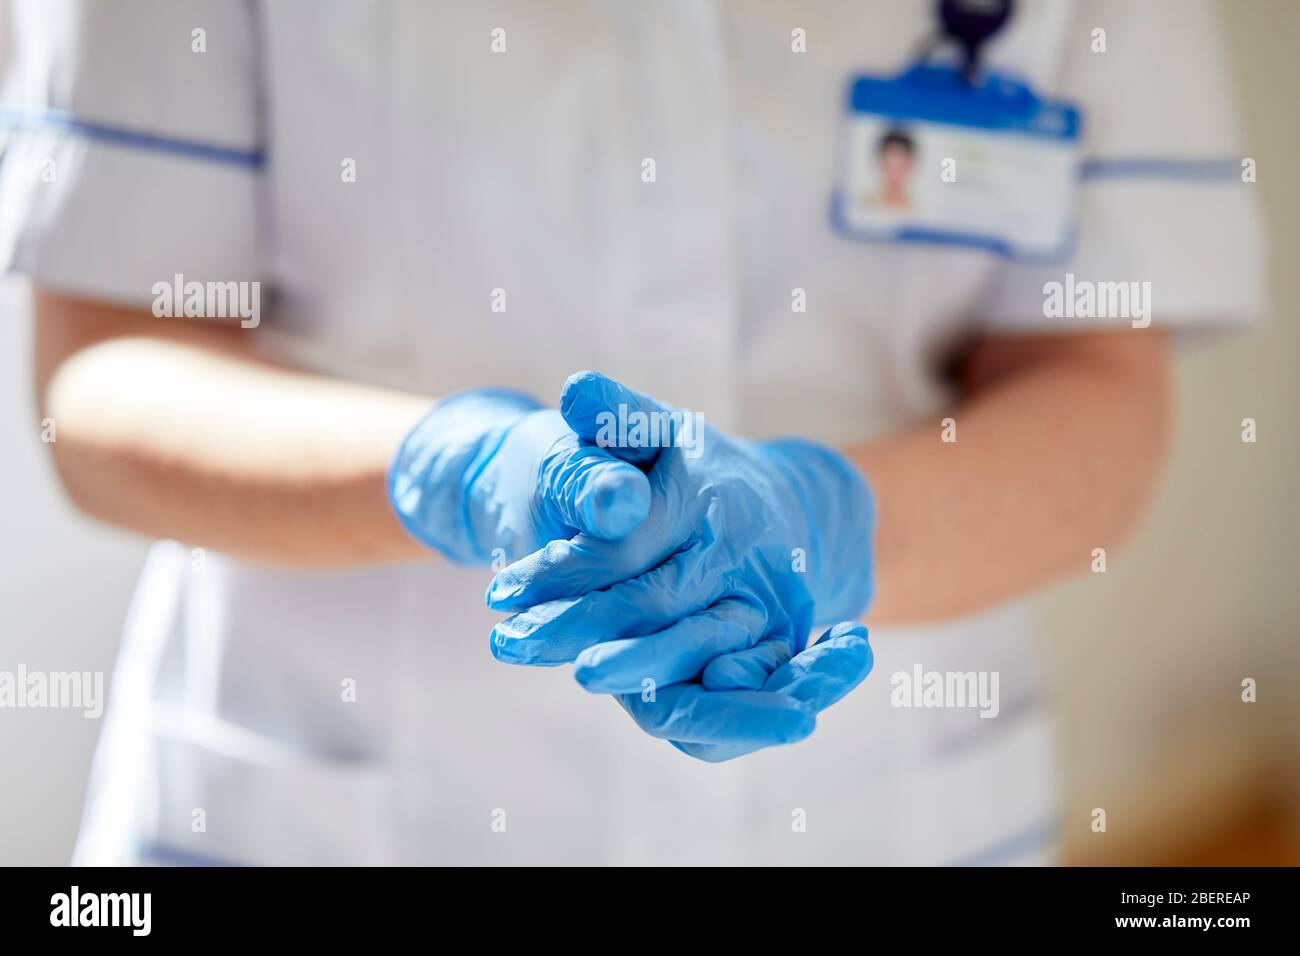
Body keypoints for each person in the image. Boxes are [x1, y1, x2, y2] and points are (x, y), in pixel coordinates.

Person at [0, 0, 1261, 865]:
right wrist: (461, 471)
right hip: (325, 799)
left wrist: (833, 522)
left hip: (886, 807)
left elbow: (1096, 389)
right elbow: (105, 376)